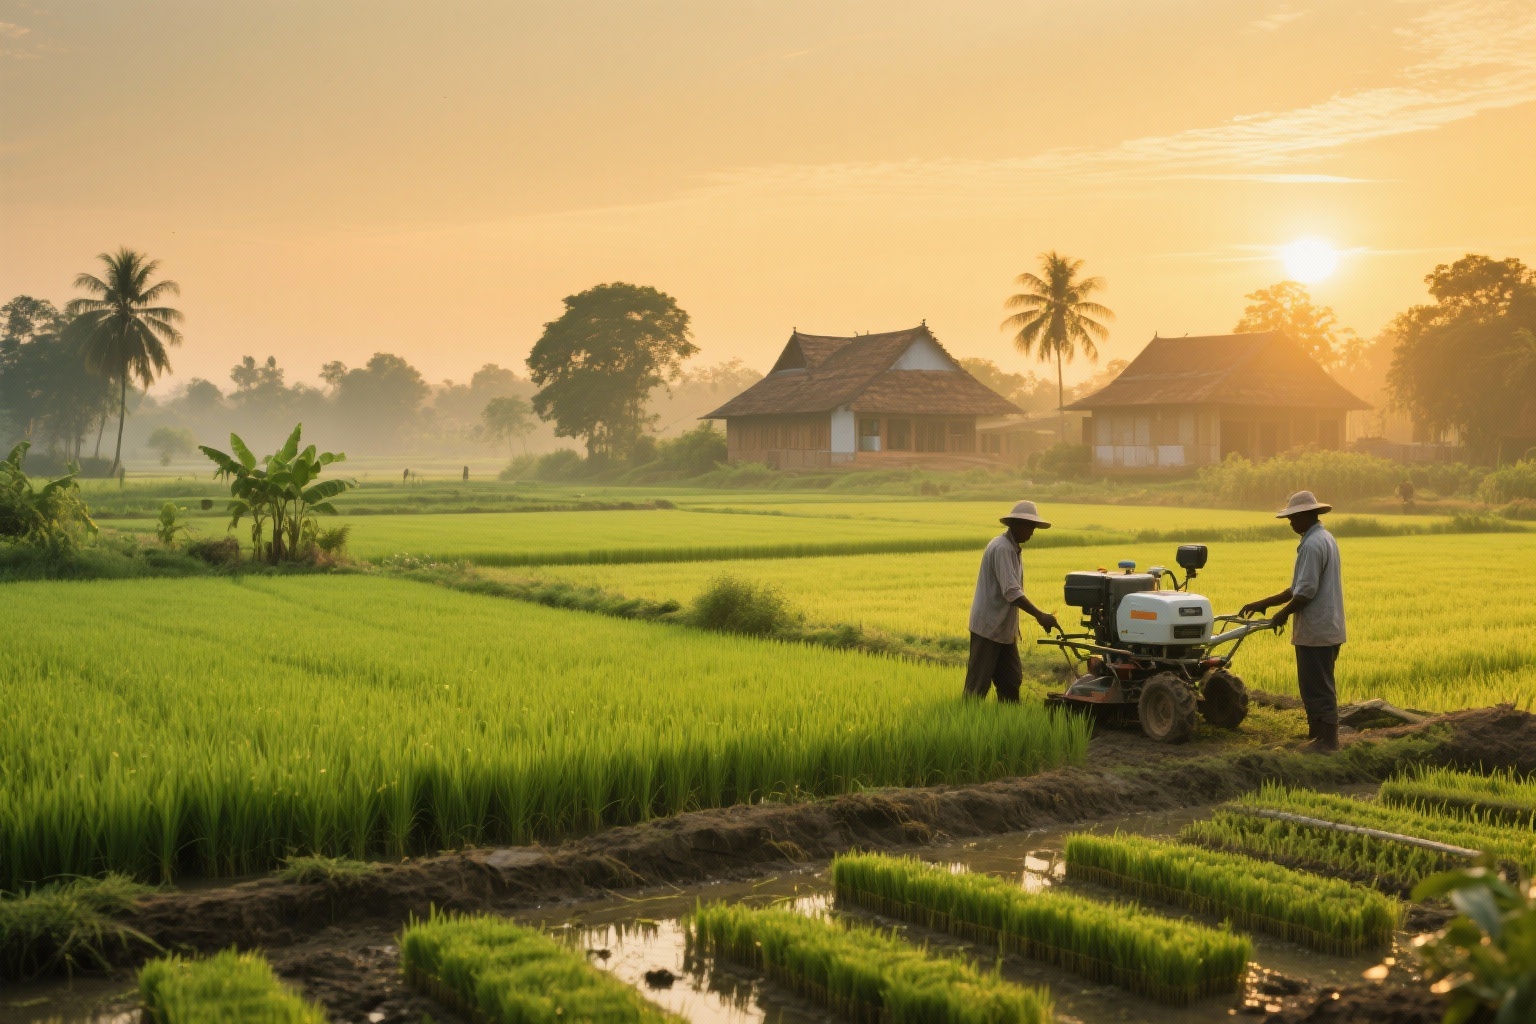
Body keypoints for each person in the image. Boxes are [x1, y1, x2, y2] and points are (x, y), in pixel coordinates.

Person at [1240, 490, 1347, 753]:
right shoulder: (1324, 538)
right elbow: (1296, 588)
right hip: (1327, 627)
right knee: (1318, 685)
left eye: (1293, 518)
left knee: (1317, 688)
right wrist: (1263, 604)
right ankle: (1317, 737)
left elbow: (1305, 592)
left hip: (1316, 630)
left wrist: (1282, 615)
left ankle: (1327, 743)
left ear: (1306, 515)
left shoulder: (1312, 545)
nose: (1290, 523)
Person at [964, 500, 1059, 703]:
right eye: (1029, 526)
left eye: (1034, 527)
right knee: (977, 685)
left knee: (1011, 680)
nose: (1032, 532)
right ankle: (965, 721)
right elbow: (1012, 592)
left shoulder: (1013, 548)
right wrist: (1040, 615)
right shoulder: (1002, 548)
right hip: (989, 627)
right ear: (1016, 524)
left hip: (1004, 629)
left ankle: (1008, 720)